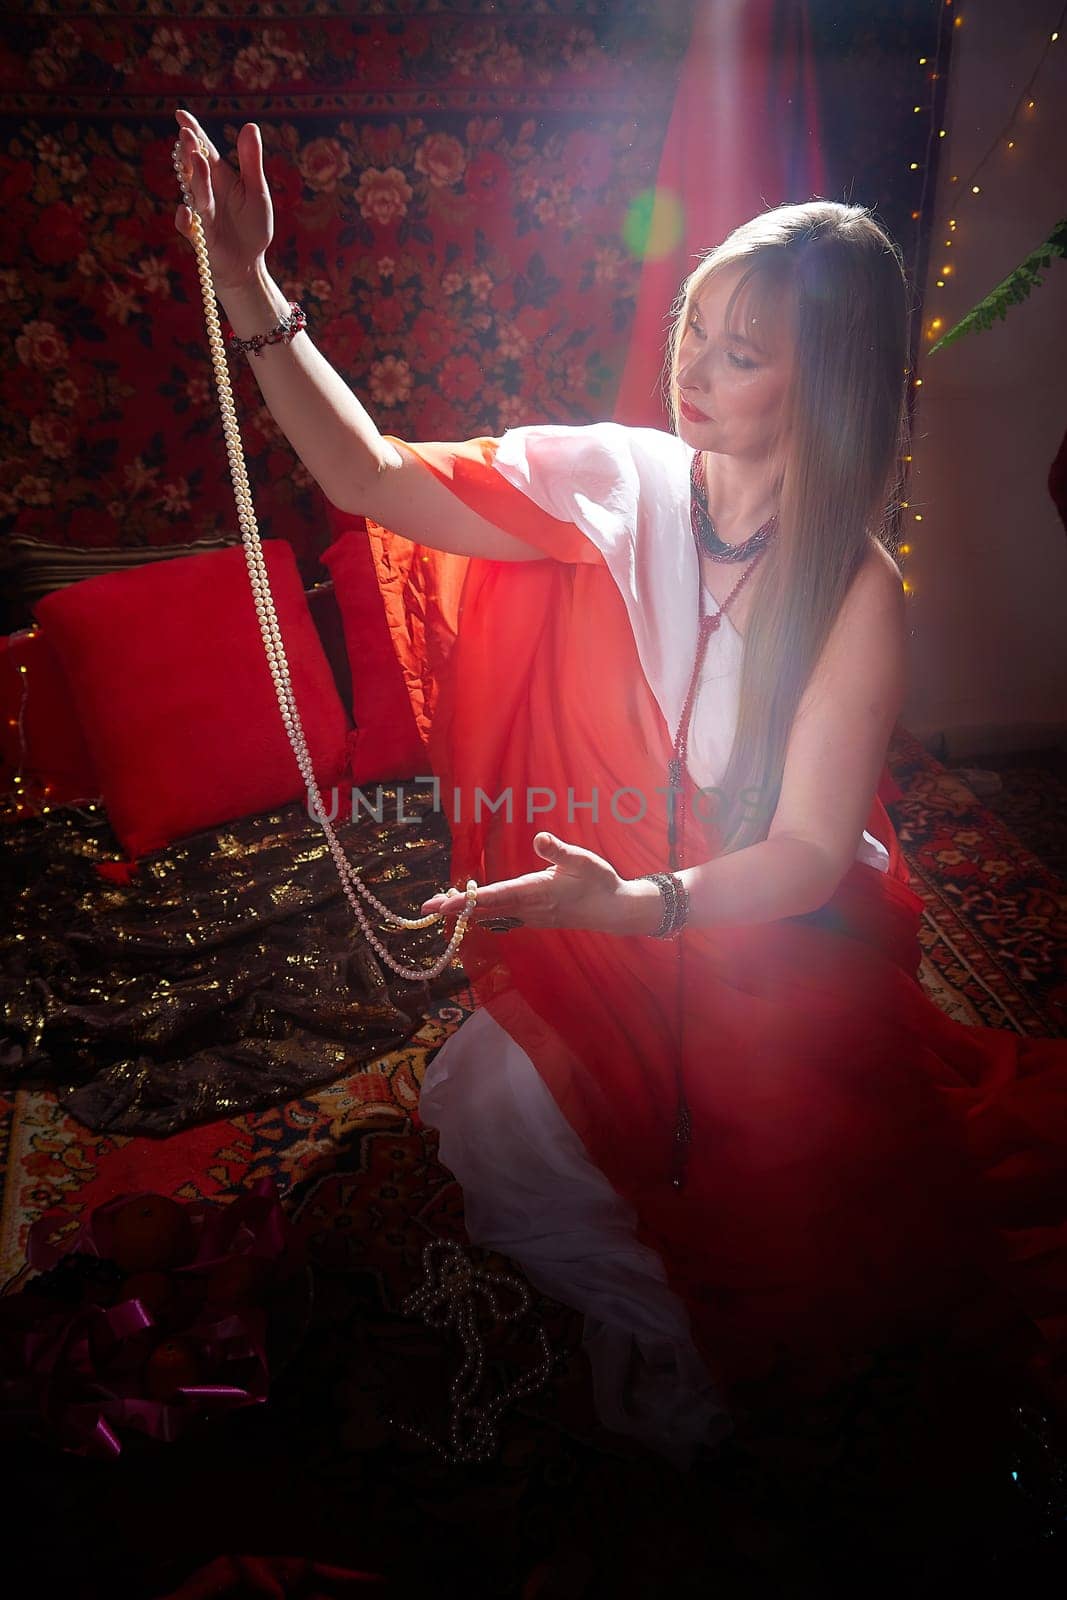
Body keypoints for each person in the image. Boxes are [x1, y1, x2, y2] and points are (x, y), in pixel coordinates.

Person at [174, 111, 1067, 1472]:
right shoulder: (616, 484)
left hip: (764, 945)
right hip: (616, 927)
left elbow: (812, 854)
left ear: (821, 383)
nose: (694, 370)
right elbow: (369, 476)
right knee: (494, 1110)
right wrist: (249, 285)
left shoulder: (852, 593)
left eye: (743, 352)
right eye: (695, 328)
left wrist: (641, 902)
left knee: (808, 1267)